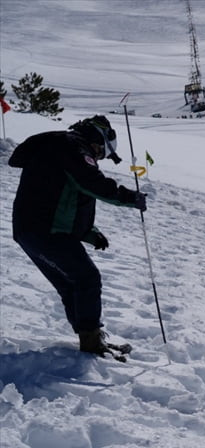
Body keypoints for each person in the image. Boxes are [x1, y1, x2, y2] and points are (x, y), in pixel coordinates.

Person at [8, 115, 147, 356]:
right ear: (97, 138)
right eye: (101, 152)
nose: (98, 158)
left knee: (72, 284)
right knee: (86, 279)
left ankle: (90, 338)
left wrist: (88, 233)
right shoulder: (73, 148)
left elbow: (62, 197)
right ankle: (91, 343)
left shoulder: (60, 148)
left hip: (31, 230)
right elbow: (91, 183)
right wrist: (129, 197)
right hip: (44, 231)